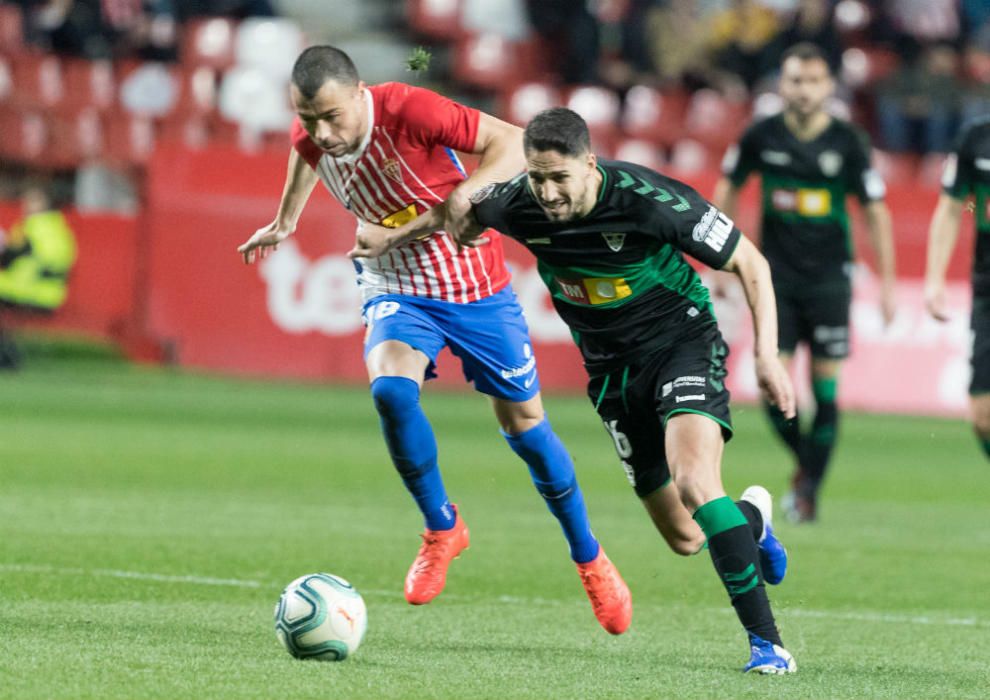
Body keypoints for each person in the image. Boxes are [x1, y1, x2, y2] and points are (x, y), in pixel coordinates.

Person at [353, 107, 799, 674]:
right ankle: (752, 519)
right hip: (612, 372)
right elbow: (455, 216)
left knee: (694, 480)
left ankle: (769, 647)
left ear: (590, 164)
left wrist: (766, 356)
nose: (548, 192)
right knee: (686, 536)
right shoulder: (518, 201)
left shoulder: (651, 201)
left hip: (680, 343)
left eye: (560, 178)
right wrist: (392, 236)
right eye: (538, 177)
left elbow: (751, 263)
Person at [236, 46, 631, 633]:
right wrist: (287, 218)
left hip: (473, 285)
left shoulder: (409, 109)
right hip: (397, 287)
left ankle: (590, 559)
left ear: (360, 93)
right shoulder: (315, 129)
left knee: (526, 428)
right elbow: (302, 151)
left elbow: (511, 143)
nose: (322, 132)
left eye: (331, 118)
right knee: (392, 392)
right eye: (309, 118)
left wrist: (452, 206)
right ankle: (442, 527)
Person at [713, 42, 896, 523]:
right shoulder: (760, 135)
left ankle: (808, 488)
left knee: (826, 388)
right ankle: (806, 469)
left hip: (831, 280)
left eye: (813, 80)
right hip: (776, 281)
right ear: (782, 84)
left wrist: (890, 283)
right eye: (795, 80)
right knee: (772, 386)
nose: (804, 90)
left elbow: (874, 211)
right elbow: (728, 187)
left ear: (829, 86)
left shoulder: (849, 141)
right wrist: (720, 261)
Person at [925, 115, 990, 458]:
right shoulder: (975, 138)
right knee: (983, 415)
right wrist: (935, 279)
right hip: (987, 291)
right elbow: (952, 208)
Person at [0, 183, 78, 369]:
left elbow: (9, 259)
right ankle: (6, 353)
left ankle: (6, 355)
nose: (26, 204)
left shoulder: (33, 229)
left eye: (32, 200)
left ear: (44, 203)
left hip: (27, 291)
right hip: (51, 293)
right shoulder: (60, 229)